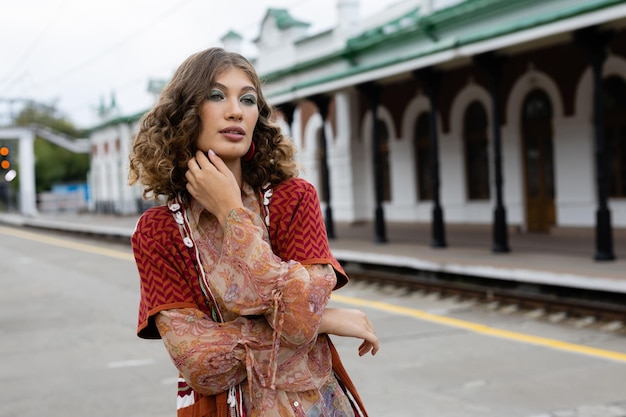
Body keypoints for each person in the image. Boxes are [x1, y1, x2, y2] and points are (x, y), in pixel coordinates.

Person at [128, 47, 379, 417]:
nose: (235, 110)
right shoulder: (157, 231)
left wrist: (232, 212)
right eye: (216, 95)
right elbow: (199, 363)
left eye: (248, 99)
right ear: (184, 113)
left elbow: (297, 317)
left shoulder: (292, 200)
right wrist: (322, 320)